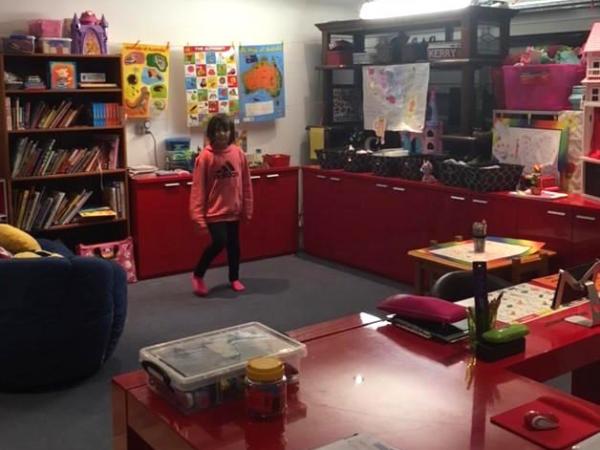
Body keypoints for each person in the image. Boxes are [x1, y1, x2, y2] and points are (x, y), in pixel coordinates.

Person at [189, 114, 253, 296]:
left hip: (234, 210)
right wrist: (198, 217)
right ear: (212, 133)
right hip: (214, 211)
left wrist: (247, 209)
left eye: (225, 130)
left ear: (231, 132)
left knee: (234, 246)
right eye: (217, 131)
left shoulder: (238, 154)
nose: (222, 134)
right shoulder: (205, 157)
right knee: (219, 242)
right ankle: (198, 274)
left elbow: (246, 184)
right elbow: (197, 190)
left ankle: (234, 277)